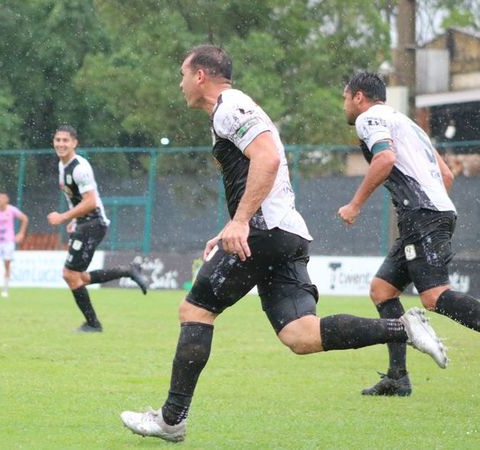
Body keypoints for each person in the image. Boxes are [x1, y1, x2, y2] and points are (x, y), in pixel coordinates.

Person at [120, 45, 447, 443]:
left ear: (201, 75)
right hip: (284, 232)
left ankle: (171, 421)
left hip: (265, 231)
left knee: (195, 310)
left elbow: (268, 159)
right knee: (301, 335)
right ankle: (402, 328)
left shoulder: (229, 106)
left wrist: (242, 221)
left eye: (183, 74)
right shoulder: (232, 110)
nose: (180, 83)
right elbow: (258, 172)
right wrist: (232, 224)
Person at [339, 72, 480, 396]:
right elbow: (446, 174)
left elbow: (385, 158)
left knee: (433, 297)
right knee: (382, 290)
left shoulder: (369, 118)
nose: (345, 105)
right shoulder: (407, 123)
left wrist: (355, 204)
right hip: (432, 212)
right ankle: (397, 377)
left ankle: (398, 376)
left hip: (423, 216)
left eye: (345, 97)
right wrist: (430, 208)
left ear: (359, 96)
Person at [47, 125, 149, 333]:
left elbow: (91, 202)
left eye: (65, 140)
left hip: (93, 223)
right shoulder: (62, 165)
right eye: (58, 140)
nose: (61, 144)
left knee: (70, 275)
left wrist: (64, 217)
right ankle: (128, 271)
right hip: (85, 223)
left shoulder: (79, 168)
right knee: (78, 277)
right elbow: (75, 198)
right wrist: (74, 219)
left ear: (74, 143)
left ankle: (93, 324)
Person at [0, 192, 29, 298]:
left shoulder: (12, 210)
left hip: (8, 242)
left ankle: (5, 290)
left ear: (7, 199)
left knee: (7, 265)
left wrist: (21, 233)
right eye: (0, 197)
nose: (1, 199)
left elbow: (25, 219)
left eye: (4, 198)